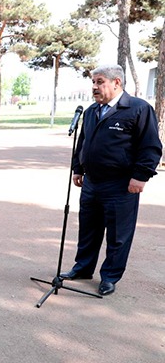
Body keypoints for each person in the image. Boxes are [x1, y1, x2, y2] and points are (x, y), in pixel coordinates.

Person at [61, 64, 162, 296]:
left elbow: (150, 146)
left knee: (118, 235)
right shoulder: (91, 111)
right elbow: (83, 143)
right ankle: (83, 268)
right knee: (88, 229)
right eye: (93, 82)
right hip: (91, 183)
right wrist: (78, 168)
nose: (94, 87)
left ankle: (109, 277)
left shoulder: (138, 109)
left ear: (117, 82)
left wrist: (140, 176)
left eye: (100, 82)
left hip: (121, 185)